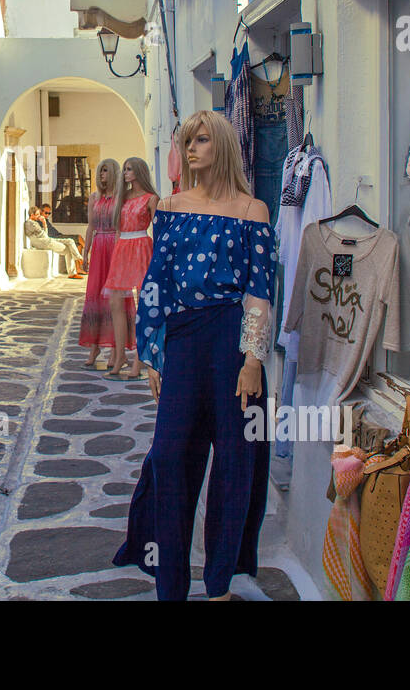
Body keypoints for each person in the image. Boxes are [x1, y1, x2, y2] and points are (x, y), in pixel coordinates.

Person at [112, 110, 275, 601]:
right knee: (169, 458)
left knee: (234, 462)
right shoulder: (172, 207)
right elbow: (156, 284)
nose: (191, 148)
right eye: (186, 141)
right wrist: (153, 355)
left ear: (221, 145)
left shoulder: (253, 210)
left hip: (231, 343)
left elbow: (259, 293)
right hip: (182, 341)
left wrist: (252, 360)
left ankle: (220, 582)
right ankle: (171, 583)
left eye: (201, 140)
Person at [101, 156, 159, 379]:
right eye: (124, 169)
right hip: (123, 248)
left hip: (141, 246)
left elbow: (158, 229)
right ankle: (119, 357)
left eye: (129, 169)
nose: (125, 173)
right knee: (115, 302)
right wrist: (115, 251)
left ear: (139, 172)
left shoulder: (151, 199)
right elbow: (118, 227)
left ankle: (139, 361)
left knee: (142, 304)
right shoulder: (122, 198)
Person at [78, 159, 133, 368]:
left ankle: (116, 350)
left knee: (115, 299)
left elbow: (121, 227)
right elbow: (91, 226)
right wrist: (85, 253)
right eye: (100, 171)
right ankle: (94, 346)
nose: (101, 175)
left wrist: (121, 254)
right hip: (99, 246)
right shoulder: (94, 198)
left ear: (113, 173)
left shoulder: (121, 198)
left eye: (105, 171)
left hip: (114, 248)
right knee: (94, 295)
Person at [24, 207, 84, 278]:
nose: (39, 216)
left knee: (70, 241)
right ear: (32, 215)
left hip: (47, 240)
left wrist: (44, 224)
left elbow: (45, 234)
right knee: (68, 249)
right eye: (37, 214)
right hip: (44, 243)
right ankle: (74, 269)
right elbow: (44, 235)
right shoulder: (30, 223)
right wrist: (44, 223)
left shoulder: (35, 223)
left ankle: (78, 258)